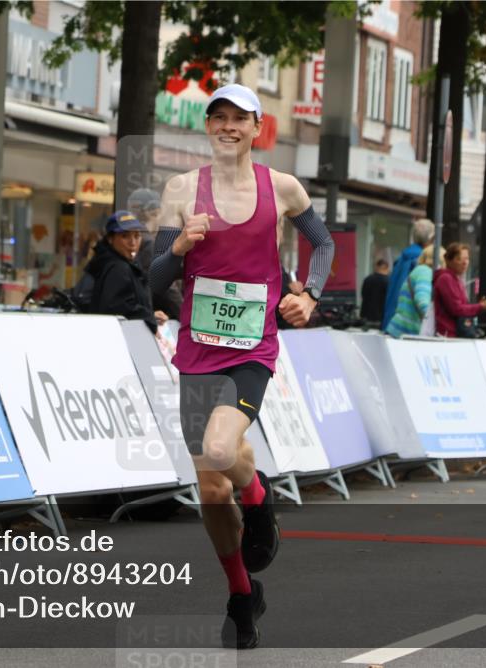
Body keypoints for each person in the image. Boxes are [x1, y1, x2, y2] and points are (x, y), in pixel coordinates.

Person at [149, 83, 334, 649]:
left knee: (223, 452)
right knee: (209, 488)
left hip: (252, 348)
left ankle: (258, 503)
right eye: (218, 117)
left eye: (239, 119)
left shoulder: (281, 188)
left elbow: (323, 245)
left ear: (258, 128)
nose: (227, 126)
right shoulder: (181, 190)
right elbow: (151, 281)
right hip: (197, 351)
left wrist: (312, 295)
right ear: (209, 127)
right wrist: (177, 248)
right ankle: (240, 593)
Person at [83, 210, 158, 333]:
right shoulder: (117, 267)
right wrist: (148, 317)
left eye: (137, 236)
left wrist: (152, 315)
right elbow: (118, 307)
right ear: (110, 239)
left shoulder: (118, 263)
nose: (133, 243)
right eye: (125, 236)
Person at [130, 187, 183, 321]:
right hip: (151, 316)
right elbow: (167, 287)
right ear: (152, 213)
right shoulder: (148, 243)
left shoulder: (128, 238)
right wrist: (185, 315)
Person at [433, 242, 486, 337]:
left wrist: (480, 306)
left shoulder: (456, 279)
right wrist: (481, 306)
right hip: (448, 335)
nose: (465, 263)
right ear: (449, 261)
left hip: (455, 334)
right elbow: (456, 309)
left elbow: (462, 308)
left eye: (467, 259)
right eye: (459, 259)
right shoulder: (446, 279)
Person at [380, 218, 434, 330]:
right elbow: (421, 299)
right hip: (407, 326)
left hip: (392, 322)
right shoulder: (421, 263)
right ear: (431, 239)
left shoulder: (401, 259)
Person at [385, 245, 443, 338]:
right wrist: (435, 320)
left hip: (400, 329)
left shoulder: (419, 270)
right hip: (406, 332)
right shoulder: (425, 272)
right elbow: (422, 300)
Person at [360, 258, 389, 324]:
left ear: (377, 267)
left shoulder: (367, 279)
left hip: (366, 315)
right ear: (386, 268)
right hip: (381, 317)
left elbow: (363, 295)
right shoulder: (388, 281)